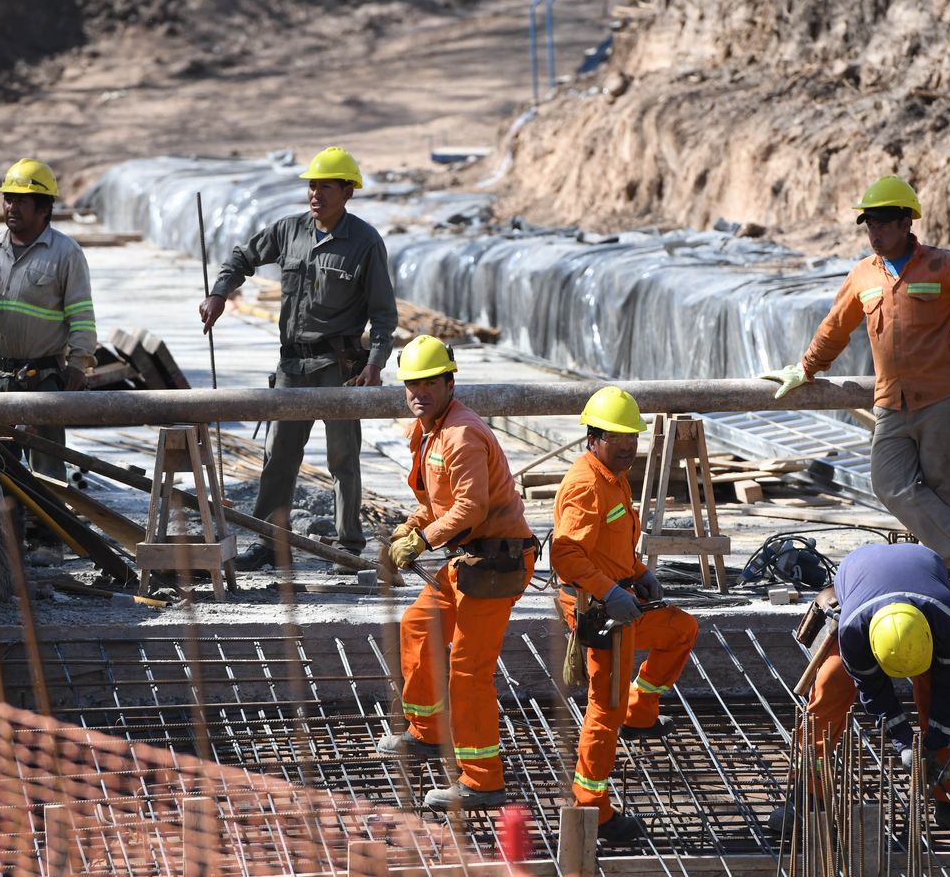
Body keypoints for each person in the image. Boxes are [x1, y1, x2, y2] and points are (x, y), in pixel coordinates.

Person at [761, 176, 950, 584]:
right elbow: (835, 327)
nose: (874, 233)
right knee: (888, 481)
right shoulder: (864, 275)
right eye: (869, 225)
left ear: (905, 224)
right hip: (892, 402)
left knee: (942, 491)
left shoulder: (941, 264)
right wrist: (805, 367)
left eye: (882, 224)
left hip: (944, 396)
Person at [198, 147, 397, 569]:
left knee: (343, 457)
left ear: (348, 192)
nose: (315, 193)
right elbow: (243, 257)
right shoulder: (289, 231)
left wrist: (375, 363)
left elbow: (383, 313)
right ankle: (270, 541)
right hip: (292, 366)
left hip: (338, 369)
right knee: (279, 454)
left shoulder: (364, 243)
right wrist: (220, 292)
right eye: (311, 185)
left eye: (326, 186)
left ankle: (348, 545)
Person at [373, 335, 536, 811]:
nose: (418, 392)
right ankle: (425, 733)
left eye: (428, 383)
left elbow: (470, 505)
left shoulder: (462, 434)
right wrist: (410, 526)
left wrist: (423, 541)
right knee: (418, 627)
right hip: (467, 560)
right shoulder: (423, 432)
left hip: (496, 563)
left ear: (449, 381)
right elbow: (436, 502)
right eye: (411, 385)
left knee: (467, 674)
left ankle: (483, 782)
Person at [552, 386, 699, 845]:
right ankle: (591, 805)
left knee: (681, 629)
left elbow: (612, 545)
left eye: (633, 437)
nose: (629, 446)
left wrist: (638, 572)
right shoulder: (585, 484)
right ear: (593, 438)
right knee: (604, 706)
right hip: (597, 611)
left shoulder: (614, 477)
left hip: (618, 599)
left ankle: (641, 713)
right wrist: (609, 590)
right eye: (618, 438)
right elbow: (566, 555)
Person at [766, 542, 950, 848]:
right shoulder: (854, 630)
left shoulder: (949, 623)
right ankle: (806, 796)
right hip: (861, 585)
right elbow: (874, 693)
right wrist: (903, 740)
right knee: (830, 684)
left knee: (949, 706)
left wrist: (934, 741)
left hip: (920, 587)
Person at [0, 158, 96, 480]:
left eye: (21, 200)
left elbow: (82, 314)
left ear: (43, 208)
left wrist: (78, 363)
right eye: (8, 199)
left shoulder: (65, 253)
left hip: (41, 379)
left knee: (45, 470)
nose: (11, 207)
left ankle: (46, 530)